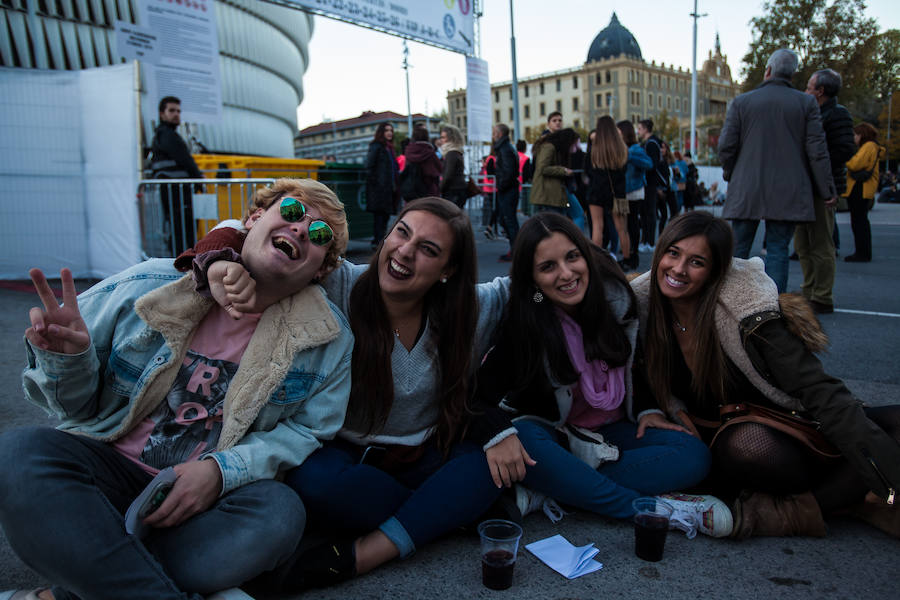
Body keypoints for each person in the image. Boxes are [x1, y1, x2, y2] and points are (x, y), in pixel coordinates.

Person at [0, 178, 354, 598]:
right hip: (103, 472)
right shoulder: (146, 284)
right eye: (293, 213)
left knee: (279, 514)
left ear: (322, 269)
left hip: (198, 504)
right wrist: (68, 360)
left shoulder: (328, 340)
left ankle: (72, 589)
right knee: (18, 453)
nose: (300, 229)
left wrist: (220, 473)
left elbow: (307, 432)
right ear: (254, 219)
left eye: (318, 235)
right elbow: (74, 408)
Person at [176, 196, 513, 590]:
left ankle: (364, 554)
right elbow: (243, 228)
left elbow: (536, 292)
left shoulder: (471, 307)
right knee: (315, 484)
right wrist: (217, 263)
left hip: (427, 456)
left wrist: (496, 428)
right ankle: (442, 512)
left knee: (488, 466)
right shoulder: (340, 282)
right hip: (343, 459)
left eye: (428, 250)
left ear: (448, 270)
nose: (405, 251)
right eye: (402, 233)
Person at [632, 211, 900, 539]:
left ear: (715, 271)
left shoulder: (750, 314)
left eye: (696, 262)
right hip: (726, 446)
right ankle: (853, 496)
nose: (678, 269)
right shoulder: (640, 304)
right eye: (672, 253)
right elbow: (626, 365)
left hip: (791, 424)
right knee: (749, 444)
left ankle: (805, 509)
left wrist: (890, 485)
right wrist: (651, 408)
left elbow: (817, 388)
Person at [468, 212, 732, 539]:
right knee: (522, 438)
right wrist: (499, 436)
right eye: (548, 267)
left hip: (612, 429)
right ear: (532, 278)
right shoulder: (526, 322)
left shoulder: (616, 300)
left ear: (585, 255)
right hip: (553, 435)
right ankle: (654, 509)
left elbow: (636, 364)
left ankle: (559, 488)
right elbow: (476, 397)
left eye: (572, 257)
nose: (566, 274)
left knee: (693, 454)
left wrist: (648, 409)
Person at [717, 48, 835, 293]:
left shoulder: (742, 102)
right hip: (788, 187)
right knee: (778, 249)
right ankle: (773, 305)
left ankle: (729, 298)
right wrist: (827, 189)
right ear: (792, 74)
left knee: (738, 248)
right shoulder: (806, 103)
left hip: (747, 185)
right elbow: (817, 150)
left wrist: (731, 173)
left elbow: (726, 146)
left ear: (768, 70)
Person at [794, 68, 857, 312]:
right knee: (803, 243)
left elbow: (844, 151)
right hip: (806, 186)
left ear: (820, 91)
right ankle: (809, 289)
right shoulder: (813, 112)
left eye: (809, 87)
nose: (806, 90)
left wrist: (818, 166)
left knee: (820, 243)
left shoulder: (838, 115)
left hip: (821, 187)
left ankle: (821, 296)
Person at [150, 96, 204, 255]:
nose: (176, 114)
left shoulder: (164, 135)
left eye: (178, 111)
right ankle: (185, 265)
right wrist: (200, 181)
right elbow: (186, 160)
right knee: (183, 231)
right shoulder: (167, 135)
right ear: (162, 114)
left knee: (180, 230)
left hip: (176, 192)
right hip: (177, 193)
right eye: (171, 110)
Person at [585, 116, 629, 263]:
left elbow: (588, 170)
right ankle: (627, 259)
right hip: (618, 193)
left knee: (598, 227)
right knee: (621, 229)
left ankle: (596, 261)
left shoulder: (594, 149)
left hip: (597, 191)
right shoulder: (622, 147)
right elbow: (624, 169)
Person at [842, 122, 885, 263]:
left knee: (859, 221)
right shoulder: (873, 146)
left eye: (855, 135)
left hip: (860, 187)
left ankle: (862, 252)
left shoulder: (868, 147)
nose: (854, 138)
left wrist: (846, 160)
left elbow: (855, 164)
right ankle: (862, 251)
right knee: (861, 220)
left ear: (862, 135)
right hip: (865, 187)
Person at [617, 120, 653, 272]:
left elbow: (649, 164)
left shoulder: (634, 149)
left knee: (631, 223)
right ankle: (629, 254)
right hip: (623, 191)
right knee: (626, 224)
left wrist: (629, 156)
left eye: (618, 131)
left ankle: (633, 256)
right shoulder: (622, 148)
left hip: (634, 191)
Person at [365, 122, 399, 247]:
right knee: (379, 218)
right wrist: (377, 184)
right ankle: (378, 243)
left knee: (385, 217)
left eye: (391, 130)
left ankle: (380, 242)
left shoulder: (389, 148)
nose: (390, 133)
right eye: (386, 130)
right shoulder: (376, 146)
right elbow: (369, 165)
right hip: (379, 190)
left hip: (388, 188)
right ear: (381, 132)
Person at [529, 128, 578, 215]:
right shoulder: (549, 147)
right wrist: (563, 170)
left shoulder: (552, 147)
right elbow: (543, 168)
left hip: (550, 195)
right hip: (547, 195)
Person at [492, 123, 521, 262]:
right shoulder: (504, 148)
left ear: (499, 134)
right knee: (506, 219)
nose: (492, 135)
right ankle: (515, 249)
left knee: (509, 220)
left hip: (507, 189)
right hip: (507, 188)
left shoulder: (505, 149)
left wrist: (502, 186)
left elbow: (509, 171)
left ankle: (517, 251)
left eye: (494, 132)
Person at [637, 119, 664, 250]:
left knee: (649, 212)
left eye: (640, 128)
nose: (638, 131)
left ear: (646, 129)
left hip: (650, 183)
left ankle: (650, 242)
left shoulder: (651, 143)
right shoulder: (650, 142)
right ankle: (647, 241)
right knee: (646, 212)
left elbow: (652, 164)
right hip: (648, 182)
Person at [399, 125, 442, 201]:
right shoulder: (430, 152)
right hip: (429, 190)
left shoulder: (408, 151)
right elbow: (439, 168)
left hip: (412, 190)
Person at [438, 124, 467, 208]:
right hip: (457, 190)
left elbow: (448, 175)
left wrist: (440, 188)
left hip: (453, 191)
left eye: (443, 137)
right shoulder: (456, 152)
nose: (441, 140)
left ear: (451, 138)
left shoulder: (452, 153)